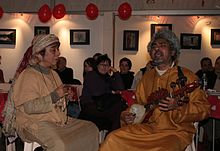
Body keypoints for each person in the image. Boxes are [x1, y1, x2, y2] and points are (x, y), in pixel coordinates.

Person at [99, 30, 210, 151]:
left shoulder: (187, 77)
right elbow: (137, 105)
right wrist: (126, 115)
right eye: (154, 46)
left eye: (162, 45)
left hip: (175, 133)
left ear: (173, 51)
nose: (157, 49)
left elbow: (204, 109)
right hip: (147, 129)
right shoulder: (146, 78)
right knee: (112, 139)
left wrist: (178, 107)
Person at [9, 34, 99, 151]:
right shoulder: (28, 75)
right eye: (53, 50)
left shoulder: (54, 74)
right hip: (35, 122)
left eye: (57, 49)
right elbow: (29, 107)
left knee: (91, 129)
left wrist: (65, 97)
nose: (58, 53)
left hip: (57, 120)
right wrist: (55, 96)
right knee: (59, 144)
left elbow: (58, 101)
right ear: (40, 54)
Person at [79, 54, 127, 132]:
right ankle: (112, 135)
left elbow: (121, 88)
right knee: (118, 109)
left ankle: (112, 135)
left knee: (120, 106)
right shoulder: (91, 75)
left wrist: (115, 72)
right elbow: (96, 93)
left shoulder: (107, 77)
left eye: (107, 65)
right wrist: (111, 94)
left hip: (103, 105)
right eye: (102, 64)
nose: (105, 67)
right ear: (97, 66)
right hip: (91, 105)